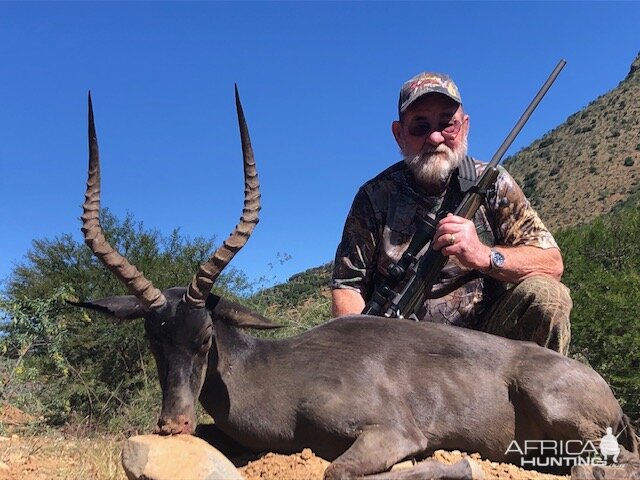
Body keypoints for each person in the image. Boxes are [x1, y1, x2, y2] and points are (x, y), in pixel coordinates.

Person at [331, 72, 572, 354]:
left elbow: (551, 263)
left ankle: (534, 395)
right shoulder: (374, 197)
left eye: (447, 124)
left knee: (549, 296)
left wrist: (483, 255)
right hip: (400, 349)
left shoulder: (492, 183)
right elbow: (348, 286)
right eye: (419, 127)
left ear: (464, 127)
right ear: (399, 135)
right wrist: (363, 353)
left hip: (487, 344)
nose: (435, 137)